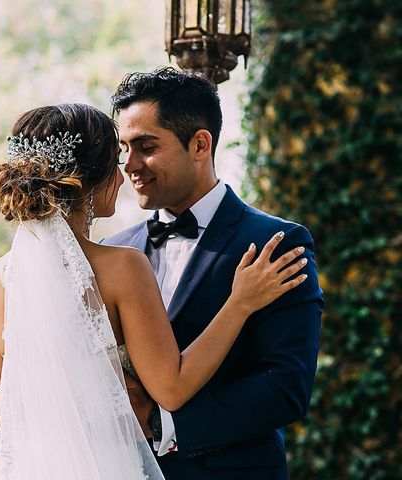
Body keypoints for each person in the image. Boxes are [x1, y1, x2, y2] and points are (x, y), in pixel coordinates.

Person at [0, 102, 311, 479]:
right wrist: (241, 302)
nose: (125, 174)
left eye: (144, 149)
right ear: (91, 179)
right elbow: (172, 387)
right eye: (117, 161)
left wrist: (53, 401)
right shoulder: (124, 266)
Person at [100, 67, 324, 479]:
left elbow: (285, 385)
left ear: (200, 144)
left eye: (145, 146)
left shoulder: (278, 242)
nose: (128, 165)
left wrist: (166, 427)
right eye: (123, 148)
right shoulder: (112, 252)